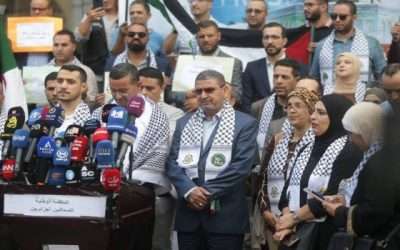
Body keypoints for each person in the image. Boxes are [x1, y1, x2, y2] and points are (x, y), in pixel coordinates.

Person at [166, 70, 258, 250]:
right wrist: (189, 190)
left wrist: (205, 193)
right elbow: (172, 163)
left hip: (225, 218)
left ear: (225, 91)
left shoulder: (245, 124)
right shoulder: (184, 122)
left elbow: (241, 167)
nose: (203, 96)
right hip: (189, 215)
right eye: (198, 91)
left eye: (209, 90)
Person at [274, 94, 362, 250]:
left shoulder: (349, 150)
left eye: (321, 113)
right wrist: (287, 220)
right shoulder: (306, 147)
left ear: (338, 117)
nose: (313, 117)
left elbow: (332, 195)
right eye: (313, 111)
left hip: (325, 234)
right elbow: (286, 192)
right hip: (295, 233)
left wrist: (294, 219)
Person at [321, 102, 400, 249]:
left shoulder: (382, 164)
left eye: (353, 134)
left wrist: (340, 212)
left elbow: (375, 212)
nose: (350, 139)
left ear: (366, 131)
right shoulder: (372, 155)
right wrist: (345, 199)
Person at [257, 87, 319, 250]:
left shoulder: (317, 143)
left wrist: (292, 218)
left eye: (298, 105)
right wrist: (266, 211)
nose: (292, 110)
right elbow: (263, 177)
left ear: (311, 110)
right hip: (272, 220)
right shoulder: (278, 139)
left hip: (303, 221)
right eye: (289, 106)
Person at [310, 0, 386, 87]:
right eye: (334, 16)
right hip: (329, 98)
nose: (337, 20)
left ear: (354, 17)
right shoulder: (321, 46)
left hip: (362, 98)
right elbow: (314, 79)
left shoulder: (371, 44)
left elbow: (382, 77)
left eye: (343, 17)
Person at [242, 23, 293, 113]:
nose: (270, 41)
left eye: (274, 37)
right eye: (266, 37)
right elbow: (246, 103)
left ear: (284, 41)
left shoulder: (299, 67)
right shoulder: (251, 68)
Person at [255, 59, 301, 157]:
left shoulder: (304, 108)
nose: (279, 81)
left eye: (284, 77)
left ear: (297, 79)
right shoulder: (258, 107)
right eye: (276, 77)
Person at [49, 30, 98, 108]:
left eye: (64, 45)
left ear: (74, 47)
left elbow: (91, 102)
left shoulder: (86, 71)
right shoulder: (42, 70)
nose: (59, 49)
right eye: (56, 45)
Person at [75, 0, 119, 76]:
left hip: (118, 69)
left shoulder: (124, 15)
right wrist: (88, 19)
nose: (105, 1)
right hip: (95, 71)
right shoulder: (91, 15)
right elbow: (79, 37)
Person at [138, 67, 184, 139]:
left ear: (162, 88)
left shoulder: (174, 113)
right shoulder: (125, 110)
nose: (144, 92)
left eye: (149, 88)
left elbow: (167, 139)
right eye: (140, 87)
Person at [286, 0, 333, 65]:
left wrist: (322, 49)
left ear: (323, 7)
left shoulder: (337, 31)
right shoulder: (299, 31)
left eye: (310, 5)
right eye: (304, 5)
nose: (305, 8)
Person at [14, 0, 54, 68]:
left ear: (50, 10)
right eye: (33, 9)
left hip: (50, 74)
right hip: (23, 73)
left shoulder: (58, 30)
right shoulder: (19, 29)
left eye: (41, 9)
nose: (37, 12)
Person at [54, 65, 91, 136]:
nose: (63, 86)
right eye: (60, 81)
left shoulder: (92, 117)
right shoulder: (44, 115)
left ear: (83, 87)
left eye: (71, 82)